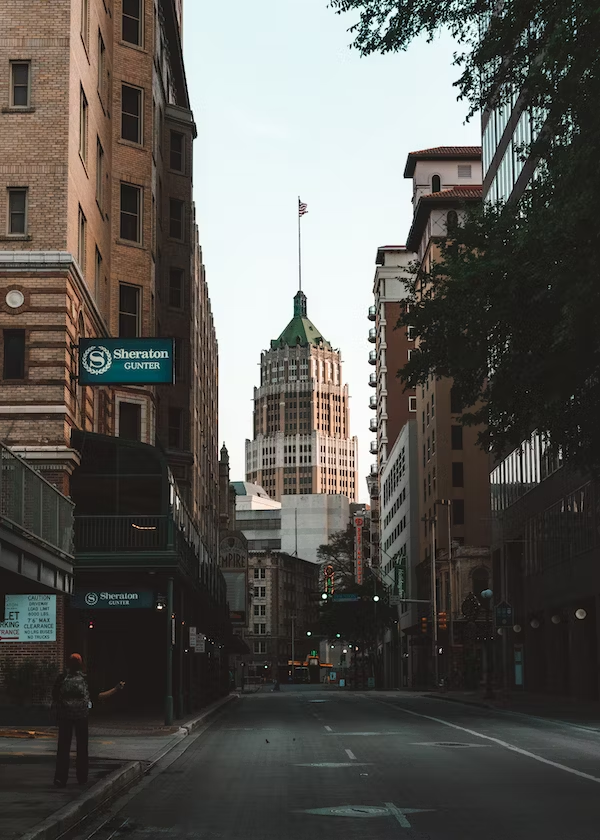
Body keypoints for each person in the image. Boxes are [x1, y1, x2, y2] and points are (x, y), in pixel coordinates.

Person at [52, 653, 125, 787]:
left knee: (63, 748)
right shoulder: (86, 679)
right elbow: (99, 696)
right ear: (81, 665)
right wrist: (116, 689)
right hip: (81, 716)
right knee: (82, 748)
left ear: (68, 664)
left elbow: (55, 698)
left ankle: (60, 778)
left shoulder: (61, 678)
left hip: (65, 717)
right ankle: (82, 777)